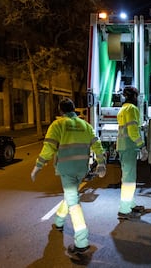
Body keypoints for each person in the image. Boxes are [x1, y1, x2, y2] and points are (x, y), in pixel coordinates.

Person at [30, 98, 106, 257]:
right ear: (74, 110)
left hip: (66, 169)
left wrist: (38, 166)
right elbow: (97, 145)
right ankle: (58, 221)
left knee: (74, 203)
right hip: (81, 169)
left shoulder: (57, 125)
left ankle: (81, 242)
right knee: (71, 196)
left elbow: (48, 148)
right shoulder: (86, 125)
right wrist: (101, 163)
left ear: (60, 110)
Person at [116, 86, 148, 219]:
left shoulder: (122, 109)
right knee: (129, 179)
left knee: (129, 177)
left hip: (123, 147)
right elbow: (132, 130)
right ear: (134, 97)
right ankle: (124, 210)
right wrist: (142, 146)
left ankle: (131, 205)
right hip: (129, 147)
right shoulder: (132, 109)